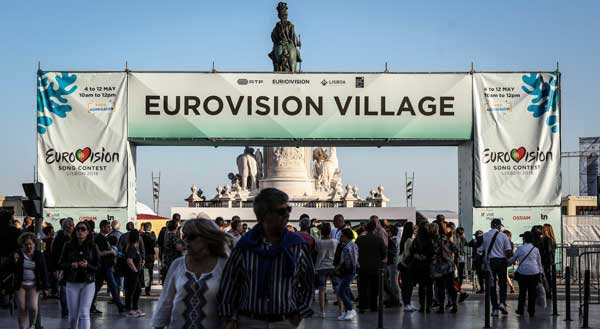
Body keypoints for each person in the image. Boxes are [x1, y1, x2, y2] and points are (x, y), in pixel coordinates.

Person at [218, 188, 314, 329]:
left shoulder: (297, 245)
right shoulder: (244, 246)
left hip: (285, 321)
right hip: (249, 321)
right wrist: (227, 316)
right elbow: (230, 282)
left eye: (289, 209)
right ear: (264, 215)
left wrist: (299, 312)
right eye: (281, 211)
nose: (287, 214)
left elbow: (309, 282)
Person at [152, 217, 232, 329]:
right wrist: (158, 326)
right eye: (184, 236)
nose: (186, 241)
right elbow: (166, 300)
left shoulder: (225, 266)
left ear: (207, 238)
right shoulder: (178, 265)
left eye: (192, 237)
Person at [59, 221, 100, 329]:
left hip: (88, 282)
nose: (80, 231)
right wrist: (72, 265)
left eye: (83, 229)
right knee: (73, 316)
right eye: (78, 229)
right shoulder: (68, 245)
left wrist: (88, 266)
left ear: (88, 232)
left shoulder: (93, 246)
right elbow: (61, 263)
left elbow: (98, 266)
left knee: (84, 313)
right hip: (72, 282)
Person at [14, 232, 49, 329]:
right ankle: (22, 327)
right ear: (22, 245)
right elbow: (8, 268)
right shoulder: (18, 254)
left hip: (34, 285)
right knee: (22, 307)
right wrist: (14, 261)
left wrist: (45, 287)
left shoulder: (38, 255)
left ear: (34, 244)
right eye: (26, 244)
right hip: (20, 284)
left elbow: (44, 271)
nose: (28, 246)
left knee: (33, 307)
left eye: (30, 244)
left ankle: (32, 325)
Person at [479, 218, 513, 316]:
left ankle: (494, 308)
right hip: (501, 262)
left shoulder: (485, 236)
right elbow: (508, 251)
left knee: (491, 286)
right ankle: (502, 303)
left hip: (490, 263)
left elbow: (480, 249)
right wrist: (508, 259)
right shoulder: (503, 236)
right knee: (502, 284)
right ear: (498, 226)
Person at [93, 220, 125, 313]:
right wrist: (111, 252)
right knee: (113, 286)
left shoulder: (104, 238)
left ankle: (91, 306)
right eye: (108, 227)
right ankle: (119, 306)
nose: (109, 228)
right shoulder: (99, 238)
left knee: (98, 287)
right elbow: (99, 253)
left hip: (106, 266)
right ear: (102, 227)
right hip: (104, 267)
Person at [509, 231, 543, 317]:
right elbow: (539, 263)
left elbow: (513, 260)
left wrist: (507, 262)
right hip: (534, 272)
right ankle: (531, 311)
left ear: (524, 239)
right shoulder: (536, 249)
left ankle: (520, 310)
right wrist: (540, 273)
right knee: (532, 292)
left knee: (522, 292)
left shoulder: (520, 248)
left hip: (523, 272)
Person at [355, 220, 387, 313]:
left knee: (363, 288)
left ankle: (362, 305)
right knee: (374, 288)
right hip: (375, 267)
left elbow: (356, 252)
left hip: (362, 267)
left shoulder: (360, 239)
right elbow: (384, 254)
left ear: (365, 228)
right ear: (374, 229)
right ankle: (373, 306)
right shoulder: (379, 239)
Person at [431, 223, 458, 314]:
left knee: (440, 287)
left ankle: (441, 307)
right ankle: (454, 305)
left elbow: (433, 252)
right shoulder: (446, 239)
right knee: (450, 287)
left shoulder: (434, 240)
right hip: (449, 266)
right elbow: (455, 249)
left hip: (439, 267)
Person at [52, 217, 74, 318]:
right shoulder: (60, 238)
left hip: (73, 266)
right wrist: (55, 268)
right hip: (62, 266)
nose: (72, 227)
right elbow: (55, 254)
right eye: (70, 225)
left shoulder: (74, 237)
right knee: (63, 289)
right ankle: (65, 311)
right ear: (65, 227)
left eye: (72, 225)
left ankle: (70, 310)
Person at [314, 222, 338, 318]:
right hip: (333, 266)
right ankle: (341, 311)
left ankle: (322, 311)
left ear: (321, 231)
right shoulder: (335, 241)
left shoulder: (318, 242)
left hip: (321, 266)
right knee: (337, 289)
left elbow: (316, 251)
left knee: (321, 289)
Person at [336, 228, 359, 321]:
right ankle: (347, 311)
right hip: (350, 271)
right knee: (344, 290)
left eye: (342, 235)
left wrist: (351, 270)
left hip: (349, 272)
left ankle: (350, 309)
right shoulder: (352, 245)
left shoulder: (348, 247)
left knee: (341, 291)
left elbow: (352, 260)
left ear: (345, 236)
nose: (340, 237)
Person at [411, 222, 435, 313]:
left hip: (419, 265)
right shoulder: (431, 238)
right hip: (428, 265)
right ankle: (428, 306)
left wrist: (418, 256)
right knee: (429, 287)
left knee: (421, 287)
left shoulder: (417, 239)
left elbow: (412, 251)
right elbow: (432, 252)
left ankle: (422, 306)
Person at [124, 230, 144, 318]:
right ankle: (129, 310)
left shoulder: (134, 247)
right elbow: (129, 260)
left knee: (137, 290)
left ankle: (135, 308)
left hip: (135, 272)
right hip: (132, 273)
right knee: (131, 291)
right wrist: (135, 270)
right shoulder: (132, 248)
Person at [398, 222, 416, 312]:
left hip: (403, 265)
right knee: (408, 286)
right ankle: (407, 303)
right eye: (413, 227)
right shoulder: (409, 240)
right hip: (408, 265)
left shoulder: (403, 239)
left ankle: (406, 303)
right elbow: (409, 254)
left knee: (404, 285)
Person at [384, 224, 401, 307]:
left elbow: (392, 252)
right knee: (393, 281)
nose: (386, 232)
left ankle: (396, 299)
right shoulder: (397, 239)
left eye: (387, 231)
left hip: (392, 263)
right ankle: (393, 298)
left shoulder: (392, 240)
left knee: (393, 281)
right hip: (394, 262)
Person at [540, 224, 557, 299]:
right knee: (548, 277)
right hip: (549, 261)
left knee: (546, 277)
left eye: (543, 229)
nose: (542, 231)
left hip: (546, 261)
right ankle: (548, 291)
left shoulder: (547, 239)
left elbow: (548, 251)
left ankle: (548, 292)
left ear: (546, 230)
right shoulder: (552, 239)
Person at [141, 222, 157, 295]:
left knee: (145, 272)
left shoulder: (141, 236)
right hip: (151, 256)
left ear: (144, 228)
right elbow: (155, 246)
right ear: (150, 227)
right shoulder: (153, 236)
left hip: (144, 256)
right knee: (149, 272)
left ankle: (143, 287)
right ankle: (148, 290)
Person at [503, 230, 516, 294]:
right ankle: (511, 287)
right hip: (507, 260)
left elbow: (509, 253)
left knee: (505, 274)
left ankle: (511, 287)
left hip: (506, 260)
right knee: (505, 274)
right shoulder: (510, 242)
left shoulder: (509, 243)